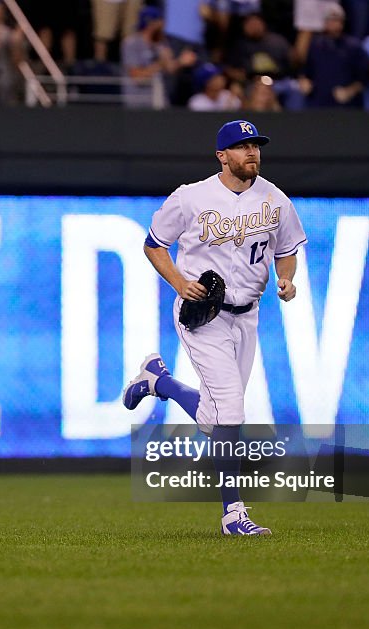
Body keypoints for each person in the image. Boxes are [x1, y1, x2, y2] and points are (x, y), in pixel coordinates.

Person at [124, 119, 306, 537]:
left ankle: (157, 382)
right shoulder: (191, 197)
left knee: (216, 417)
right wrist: (178, 282)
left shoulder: (275, 199)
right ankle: (233, 514)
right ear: (222, 156)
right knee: (231, 413)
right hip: (203, 314)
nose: (252, 153)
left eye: (255, 146)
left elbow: (287, 250)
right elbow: (154, 244)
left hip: (249, 315)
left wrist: (288, 278)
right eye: (242, 147)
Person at [121, 5, 195, 108]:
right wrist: (161, 63)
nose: (164, 25)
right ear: (152, 24)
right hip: (138, 104)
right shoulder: (132, 43)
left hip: (160, 102)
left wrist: (181, 62)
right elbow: (137, 77)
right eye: (160, 21)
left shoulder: (161, 43)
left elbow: (169, 68)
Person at [299, 2, 369, 108]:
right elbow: (305, 72)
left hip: (345, 107)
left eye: (338, 20)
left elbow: (365, 78)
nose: (335, 24)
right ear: (325, 23)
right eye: (331, 20)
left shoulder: (354, 47)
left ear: (343, 23)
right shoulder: (315, 46)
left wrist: (349, 91)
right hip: (318, 105)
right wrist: (304, 82)